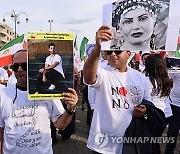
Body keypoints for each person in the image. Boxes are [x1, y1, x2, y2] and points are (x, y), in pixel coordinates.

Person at [83, 25, 151, 154]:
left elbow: (147, 103)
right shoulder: (103, 73)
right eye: (109, 52)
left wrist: (144, 111)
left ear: (129, 53)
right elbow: (88, 78)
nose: (113, 54)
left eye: (118, 51)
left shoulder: (140, 78)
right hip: (103, 145)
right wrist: (98, 47)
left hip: (131, 143)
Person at [0, 49, 78, 154]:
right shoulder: (3, 95)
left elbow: (60, 125)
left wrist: (70, 108)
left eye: (24, 65)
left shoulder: (47, 93)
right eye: (15, 66)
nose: (19, 70)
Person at [165, 72, 180, 154]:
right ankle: (169, 151)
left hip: (174, 103)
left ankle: (169, 151)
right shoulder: (176, 67)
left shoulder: (176, 67)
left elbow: (167, 78)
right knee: (173, 130)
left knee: (173, 129)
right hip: (174, 104)